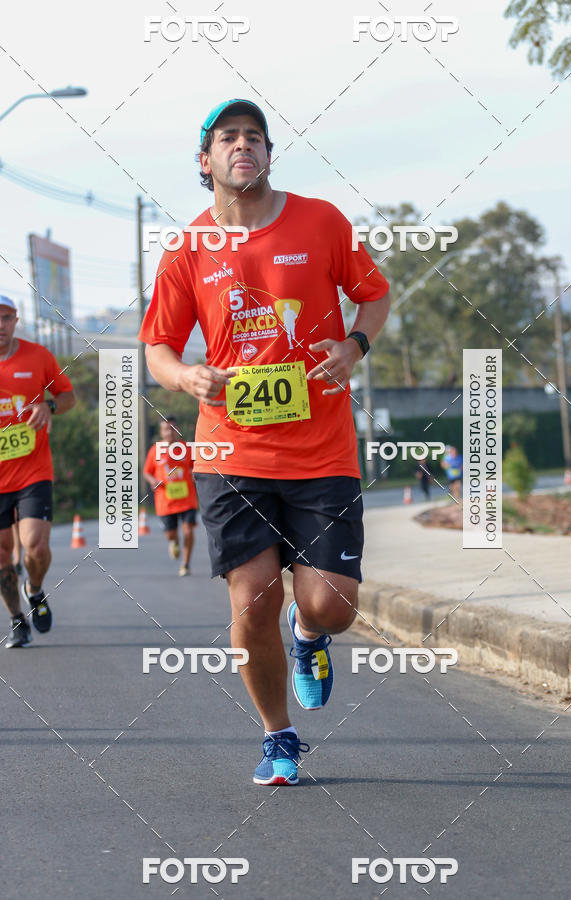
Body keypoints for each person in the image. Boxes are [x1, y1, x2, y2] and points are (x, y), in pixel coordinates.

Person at [139, 99, 390, 785]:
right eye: (228, 137)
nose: (242, 145)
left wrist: (354, 343)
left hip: (322, 450)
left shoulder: (321, 221)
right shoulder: (188, 247)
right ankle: (279, 736)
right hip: (230, 452)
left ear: (269, 155)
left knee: (332, 606)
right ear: (205, 160)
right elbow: (157, 344)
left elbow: (374, 294)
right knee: (252, 598)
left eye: (254, 136)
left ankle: (311, 640)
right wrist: (186, 375)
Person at [0, 296, 76, 648]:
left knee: (34, 545)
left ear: (16, 320)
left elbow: (67, 397)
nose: (0, 325)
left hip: (33, 472)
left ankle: (34, 589)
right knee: (2, 559)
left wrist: (48, 406)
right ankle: (17, 620)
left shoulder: (38, 357)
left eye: (6, 317)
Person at [143, 416, 198, 576]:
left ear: (178, 430)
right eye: (166, 429)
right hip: (165, 501)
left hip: (187, 498)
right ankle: (173, 542)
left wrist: (195, 473)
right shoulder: (155, 451)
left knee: (188, 531)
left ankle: (186, 564)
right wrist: (153, 481)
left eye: (173, 428)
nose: (170, 432)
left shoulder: (186, 449)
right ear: (161, 432)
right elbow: (147, 472)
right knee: (171, 534)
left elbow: (197, 466)